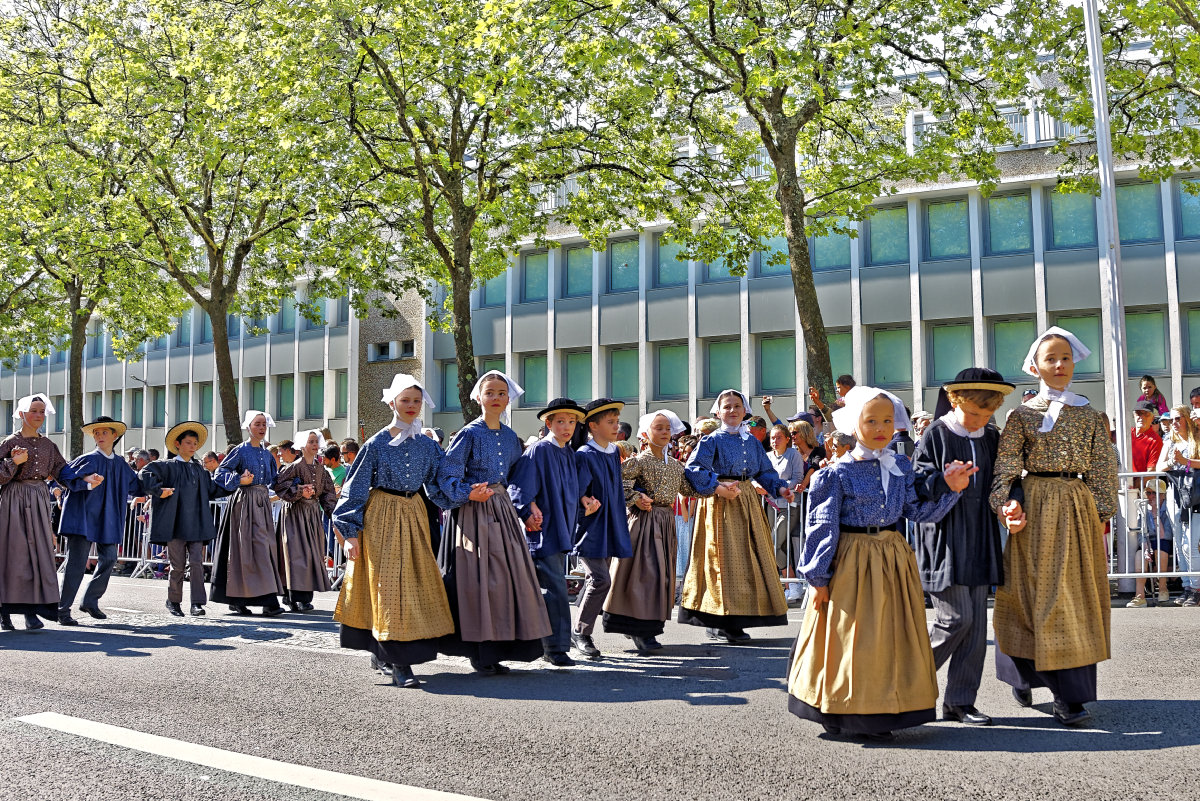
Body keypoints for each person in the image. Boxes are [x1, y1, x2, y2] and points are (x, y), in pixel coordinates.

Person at [787, 386, 974, 740]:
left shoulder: (901, 465)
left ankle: (887, 707)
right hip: (852, 561)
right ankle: (844, 708)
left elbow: (917, 512)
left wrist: (952, 489)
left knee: (890, 637)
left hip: (892, 558)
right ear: (853, 425)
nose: (880, 427)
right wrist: (818, 578)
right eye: (871, 420)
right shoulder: (835, 473)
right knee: (852, 638)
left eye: (887, 420)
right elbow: (822, 527)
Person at [991, 326, 1118, 728]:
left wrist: (1100, 515)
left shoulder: (1092, 415)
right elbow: (1006, 468)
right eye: (1051, 359)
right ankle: (1023, 675)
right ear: (1036, 366)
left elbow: (1103, 469)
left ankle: (1069, 695)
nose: (1059, 364)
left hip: (1076, 508)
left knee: (1072, 599)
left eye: (1065, 357)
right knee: (1029, 594)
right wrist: (1007, 504)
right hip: (1036, 507)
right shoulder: (1021, 414)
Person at [332, 374, 454, 689]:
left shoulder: (428, 446)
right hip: (381, 516)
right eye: (405, 400)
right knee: (387, 586)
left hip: (414, 516)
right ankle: (399, 663)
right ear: (392, 403)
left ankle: (385, 651)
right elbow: (354, 488)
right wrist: (350, 534)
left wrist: (471, 495)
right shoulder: (376, 443)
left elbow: (441, 484)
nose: (411, 406)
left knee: (412, 584)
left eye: (416, 400)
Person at [912, 368, 1014, 726]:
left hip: (981, 534)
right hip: (944, 535)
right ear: (955, 400)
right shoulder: (936, 433)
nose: (979, 421)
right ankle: (905, 680)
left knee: (975, 628)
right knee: (955, 619)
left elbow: (1005, 480)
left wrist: (1011, 503)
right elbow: (917, 482)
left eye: (987, 415)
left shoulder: (991, 435)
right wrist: (943, 480)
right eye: (973, 413)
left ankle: (959, 701)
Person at [434, 370, 552, 675]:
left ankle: (499, 647)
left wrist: (528, 509)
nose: (497, 398)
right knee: (480, 580)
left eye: (502, 393)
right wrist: (468, 493)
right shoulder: (468, 434)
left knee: (509, 581)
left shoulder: (512, 437)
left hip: (503, 512)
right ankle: (480, 651)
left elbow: (517, 479)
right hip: (474, 512)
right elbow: (447, 474)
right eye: (490, 393)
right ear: (478, 398)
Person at [679, 389, 794, 643]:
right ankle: (719, 621)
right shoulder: (711, 440)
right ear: (718, 412)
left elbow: (764, 471)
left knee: (746, 560)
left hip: (747, 503)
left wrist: (781, 488)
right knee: (721, 561)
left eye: (737, 406)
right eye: (727, 406)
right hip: (720, 502)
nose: (732, 411)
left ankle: (738, 618)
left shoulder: (751, 441)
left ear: (745, 411)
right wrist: (719, 487)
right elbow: (694, 469)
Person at [0, 395, 101, 631]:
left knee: (37, 554)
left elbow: (62, 471)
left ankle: (31, 611)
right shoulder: (9, 443)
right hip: (14, 499)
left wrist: (85, 479)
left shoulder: (48, 445)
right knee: (14, 554)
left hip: (38, 499)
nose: (38, 415)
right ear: (22, 414)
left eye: (42, 411)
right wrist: (14, 463)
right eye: (34, 410)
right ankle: (5, 612)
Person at [604, 409, 693, 653]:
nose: (664, 432)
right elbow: (618, 484)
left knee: (660, 575)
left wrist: (719, 486)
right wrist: (636, 497)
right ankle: (638, 628)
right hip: (643, 522)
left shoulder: (676, 465)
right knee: (642, 574)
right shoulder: (639, 460)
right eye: (659, 428)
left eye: (667, 428)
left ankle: (649, 627)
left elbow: (689, 488)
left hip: (665, 522)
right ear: (646, 432)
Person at [509, 397, 589, 667]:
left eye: (572, 421)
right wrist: (528, 506)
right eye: (561, 421)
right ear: (548, 423)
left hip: (561, 529)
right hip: (543, 530)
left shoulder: (567, 452)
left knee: (554, 589)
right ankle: (554, 648)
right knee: (554, 589)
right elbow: (519, 487)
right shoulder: (539, 450)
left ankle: (553, 645)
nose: (567, 427)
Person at [57, 416, 141, 625]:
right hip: (82, 518)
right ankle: (62, 609)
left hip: (108, 518)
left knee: (110, 558)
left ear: (115, 435)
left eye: (104, 432)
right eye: (96, 432)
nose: (99, 436)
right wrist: (85, 481)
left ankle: (90, 601)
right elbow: (64, 476)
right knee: (76, 564)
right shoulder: (89, 459)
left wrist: (157, 486)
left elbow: (136, 485)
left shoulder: (121, 463)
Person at [141, 422, 227, 616]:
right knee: (177, 566)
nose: (193, 446)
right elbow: (145, 473)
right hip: (175, 526)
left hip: (196, 525)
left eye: (195, 443)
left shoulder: (200, 471)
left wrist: (237, 481)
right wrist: (158, 491)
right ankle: (173, 601)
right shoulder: (166, 466)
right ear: (178, 444)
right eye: (188, 442)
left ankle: (197, 603)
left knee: (197, 564)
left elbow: (213, 490)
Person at [571, 398, 634, 659]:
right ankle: (581, 632)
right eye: (610, 422)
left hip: (610, 524)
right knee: (600, 579)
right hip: (590, 526)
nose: (616, 426)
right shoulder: (585, 455)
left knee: (595, 580)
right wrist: (584, 502)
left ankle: (573, 627)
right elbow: (575, 491)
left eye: (617, 421)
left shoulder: (612, 453)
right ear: (593, 426)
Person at [211, 410, 285, 617]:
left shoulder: (266, 454)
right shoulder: (240, 451)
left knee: (264, 547)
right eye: (257, 424)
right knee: (245, 550)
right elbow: (221, 472)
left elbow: (275, 479)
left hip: (261, 502)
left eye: (264, 425)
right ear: (248, 427)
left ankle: (262, 599)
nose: (261, 428)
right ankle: (252, 600)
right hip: (244, 503)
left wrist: (296, 484)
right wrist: (239, 479)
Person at [274, 429, 338, 613]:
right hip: (294, 514)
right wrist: (300, 490)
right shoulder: (293, 466)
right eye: (311, 442)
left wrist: (333, 515)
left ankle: (301, 597)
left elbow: (328, 494)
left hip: (311, 515)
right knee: (295, 555)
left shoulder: (321, 470)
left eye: (316, 441)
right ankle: (294, 596)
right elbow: (280, 485)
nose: (315, 445)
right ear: (302, 445)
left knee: (311, 555)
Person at [1128, 400, 1167, 608]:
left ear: (1152, 417)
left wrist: (1134, 485)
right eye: (1137, 413)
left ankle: (1160, 589)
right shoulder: (1129, 434)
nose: (1139, 417)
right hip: (1128, 494)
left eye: (1144, 414)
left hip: (1144, 495)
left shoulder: (1155, 440)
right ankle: (1139, 592)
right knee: (1134, 542)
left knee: (1147, 542)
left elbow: (1150, 473)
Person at [1158, 407, 1197, 606]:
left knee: (1191, 543)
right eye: (1171, 419)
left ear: (1186, 418)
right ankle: (1187, 587)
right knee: (1179, 543)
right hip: (1175, 494)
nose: (1173, 422)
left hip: (1193, 495)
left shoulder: (1196, 438)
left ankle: (1196, 588)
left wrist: (1185, 462)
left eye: (1177, 418)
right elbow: (1159, 467)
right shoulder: (1169, 441)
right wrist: (1172, 462)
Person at [766, 423, 806, 603]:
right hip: (770, 504)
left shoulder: (793, 455)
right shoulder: (767, 457)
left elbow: (797, 479)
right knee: (774, 545)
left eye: (778, 437)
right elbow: (761, 478)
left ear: (787, 439)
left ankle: (793, 584)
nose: (774, 441)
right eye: (772, 438)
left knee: (775, 543)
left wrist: (777, 487)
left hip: (789, 505)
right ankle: (789, 584)